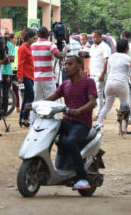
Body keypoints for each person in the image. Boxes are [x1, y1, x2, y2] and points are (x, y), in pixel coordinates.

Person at [41, 55, 97, 190]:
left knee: (70, 141)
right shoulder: (65, 84)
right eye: (65, 64)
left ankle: (82, 178)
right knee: (46, 131)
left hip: (81, 124)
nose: (66, 66)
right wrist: (34, 104)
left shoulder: (88, 82)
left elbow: (92, 102)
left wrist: (79, 110)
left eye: (70, 64)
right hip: (66, 121)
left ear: (79, 67)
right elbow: (52, 97)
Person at [30, 27, 67, 123]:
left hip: (37, 77)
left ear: (38, 35)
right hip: (48, 77)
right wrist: (66, 50)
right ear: (48, 35)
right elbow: (60, 56)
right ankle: (53, 121)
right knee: (52, 100)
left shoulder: (33, 46)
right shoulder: (50, 45)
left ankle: (33, 122)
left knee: (36, 100)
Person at [96, 40, 131, 127]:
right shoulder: (128, 58)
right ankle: (123, 128)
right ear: (127, 48)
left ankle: (99, 123)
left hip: (109, 83)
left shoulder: (111, 57)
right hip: (121, 83)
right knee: (124, 106)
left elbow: (108, 71)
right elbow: (130, 74)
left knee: (107, 105)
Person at [17, 29, 38, 127]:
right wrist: (20, 77)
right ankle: (24, 117)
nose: (35, 40)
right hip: (25, 76)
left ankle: (23, 118)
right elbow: (20, 64)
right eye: (34, 38)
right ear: (29, 38)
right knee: (30, 97)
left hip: (30, 76)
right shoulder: (23, 48)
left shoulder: (28, 47)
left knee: (27, 98)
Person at [89, 30, 111, 120]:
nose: (94, 39)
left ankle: (99, 114)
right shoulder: (92, 47)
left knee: (99, 94)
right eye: (92, 37)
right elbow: (91, 59)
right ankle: (101, 113)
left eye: (95, 37)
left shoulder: (105, 47)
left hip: (100, 74)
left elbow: (106, 60)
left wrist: (103, 73)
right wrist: (88, 70)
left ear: (100, 37)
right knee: (94, 94)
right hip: (93, 73)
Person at [1, 33, 15, 115]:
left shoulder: (10, 45)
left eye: (7, 34)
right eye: (4, 34)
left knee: (6, 94)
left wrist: (7, 57)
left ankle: (4, 112)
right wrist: (7, 56)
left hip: (7, 72)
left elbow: (13, 59)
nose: (5, 36)